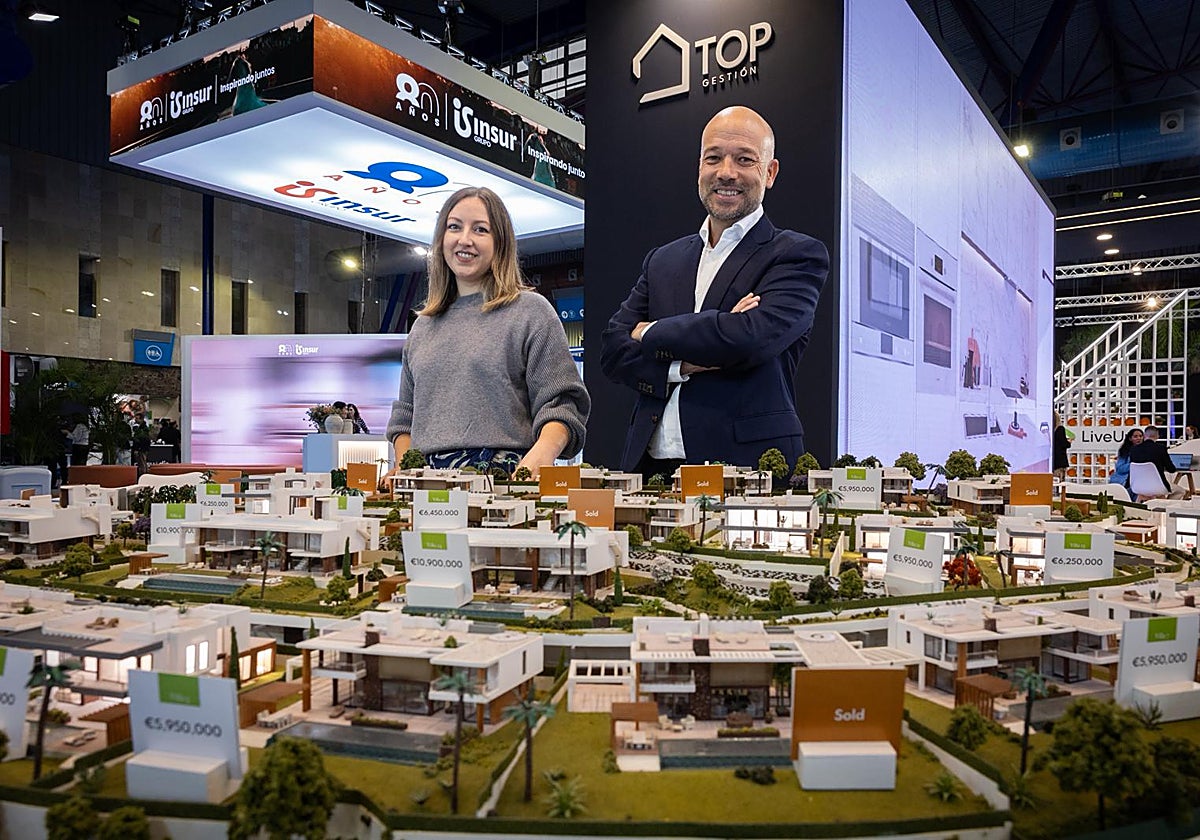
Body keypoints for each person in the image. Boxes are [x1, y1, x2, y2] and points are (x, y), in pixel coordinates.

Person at [600, 105, 828, 476]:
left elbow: (749, 339)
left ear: (769, 172)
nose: (726, 172)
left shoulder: (796, 255)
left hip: (745, 467)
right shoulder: (662, 260)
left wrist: (650, 332)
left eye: (744, 159)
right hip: (649, 466)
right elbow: (613, 349)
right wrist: (685, 364)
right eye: (714, 158)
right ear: (699, 168)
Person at [385, 186, 589, 477]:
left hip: (505, 479)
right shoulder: (423, 326)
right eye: (454, 227)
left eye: (480, 229)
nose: (464, 239)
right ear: (441, 238)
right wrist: (406, 469)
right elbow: (405, 417)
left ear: (500, 242)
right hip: (427, 484)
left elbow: (562, 404)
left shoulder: (531, 312)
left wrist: (540, 457)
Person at [1129, 425, 1178, 493]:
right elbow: (1171, 469)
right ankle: (1162, 500)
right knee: (1180, 491)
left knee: (1144, 495)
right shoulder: (1161, 448)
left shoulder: (1133, 449)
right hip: (1159, 486)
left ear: (1144, 435)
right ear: (1157, 436)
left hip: (1138, 486)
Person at [1052, 413, 1070, 480]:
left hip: (1052, 460)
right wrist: (1069, 442)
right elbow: (1064, 444)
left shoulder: (1049, 429)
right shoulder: (1060, 429)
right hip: (1060, 460)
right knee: (1060, 480)